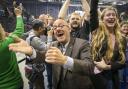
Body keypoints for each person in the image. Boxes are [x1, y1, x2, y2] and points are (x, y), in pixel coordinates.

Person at [9, 18, 94, 89]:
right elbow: (43, 55)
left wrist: (65, 60)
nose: (57, 29)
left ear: (69, 29)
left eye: (61, 26)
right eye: (55, 27)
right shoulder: (54, 44)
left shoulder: (82, 44)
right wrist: (31, 52)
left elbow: (89, 67)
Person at [90, 0, 126, 89]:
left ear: (117, 19)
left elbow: (122, 62)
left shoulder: (122, 38)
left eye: (114, 15)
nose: (111, 17)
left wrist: (108, 67)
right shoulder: (96, 32)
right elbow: (93, 12)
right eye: (108, 15)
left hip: (113, 78)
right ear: (102, 19)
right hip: (96, 77)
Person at [0, 7, 24, 89]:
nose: (3, 29)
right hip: (14, 84)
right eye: (2, 28)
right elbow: (19, 30)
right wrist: (18, 15)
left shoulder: (5, 43)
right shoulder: (5, 45)